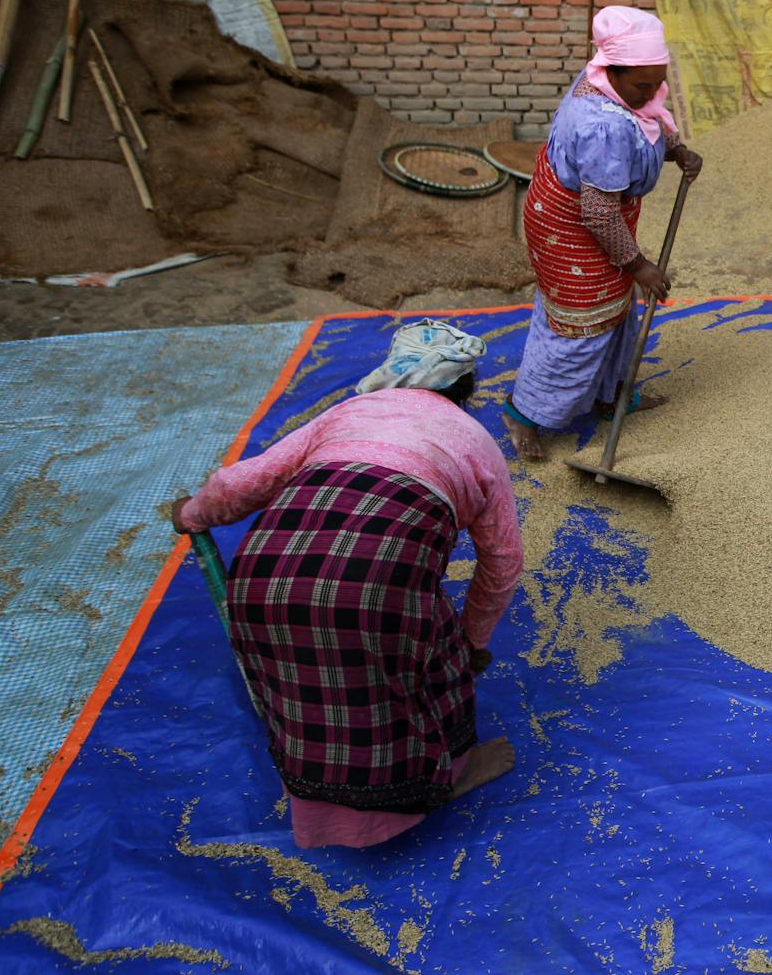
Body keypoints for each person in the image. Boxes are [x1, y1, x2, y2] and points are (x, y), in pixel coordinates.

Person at [168, 319, 524, 850]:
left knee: (306, 685)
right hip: (374, 583)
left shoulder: (346, 413)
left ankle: (324, 815)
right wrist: (472, 641)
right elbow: (501, 561)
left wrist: (193, 513)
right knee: (435, 660)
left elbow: (243, 483)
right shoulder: (475, 440)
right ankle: (449, 773)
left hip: (261, 575)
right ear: (466, 389)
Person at [502, 5, 704, 461]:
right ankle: (525, 413)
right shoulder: (602, 126)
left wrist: (677, 150)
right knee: (580, 326)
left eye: (658, 82)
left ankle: (612, 394)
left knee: (616, 314)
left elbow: (648, 118)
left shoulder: (618, 86)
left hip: (601, 216)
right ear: (611, 70)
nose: (652, 92)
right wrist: (639, 265)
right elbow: (598, 215)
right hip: (571, 226)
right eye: (642, 85)